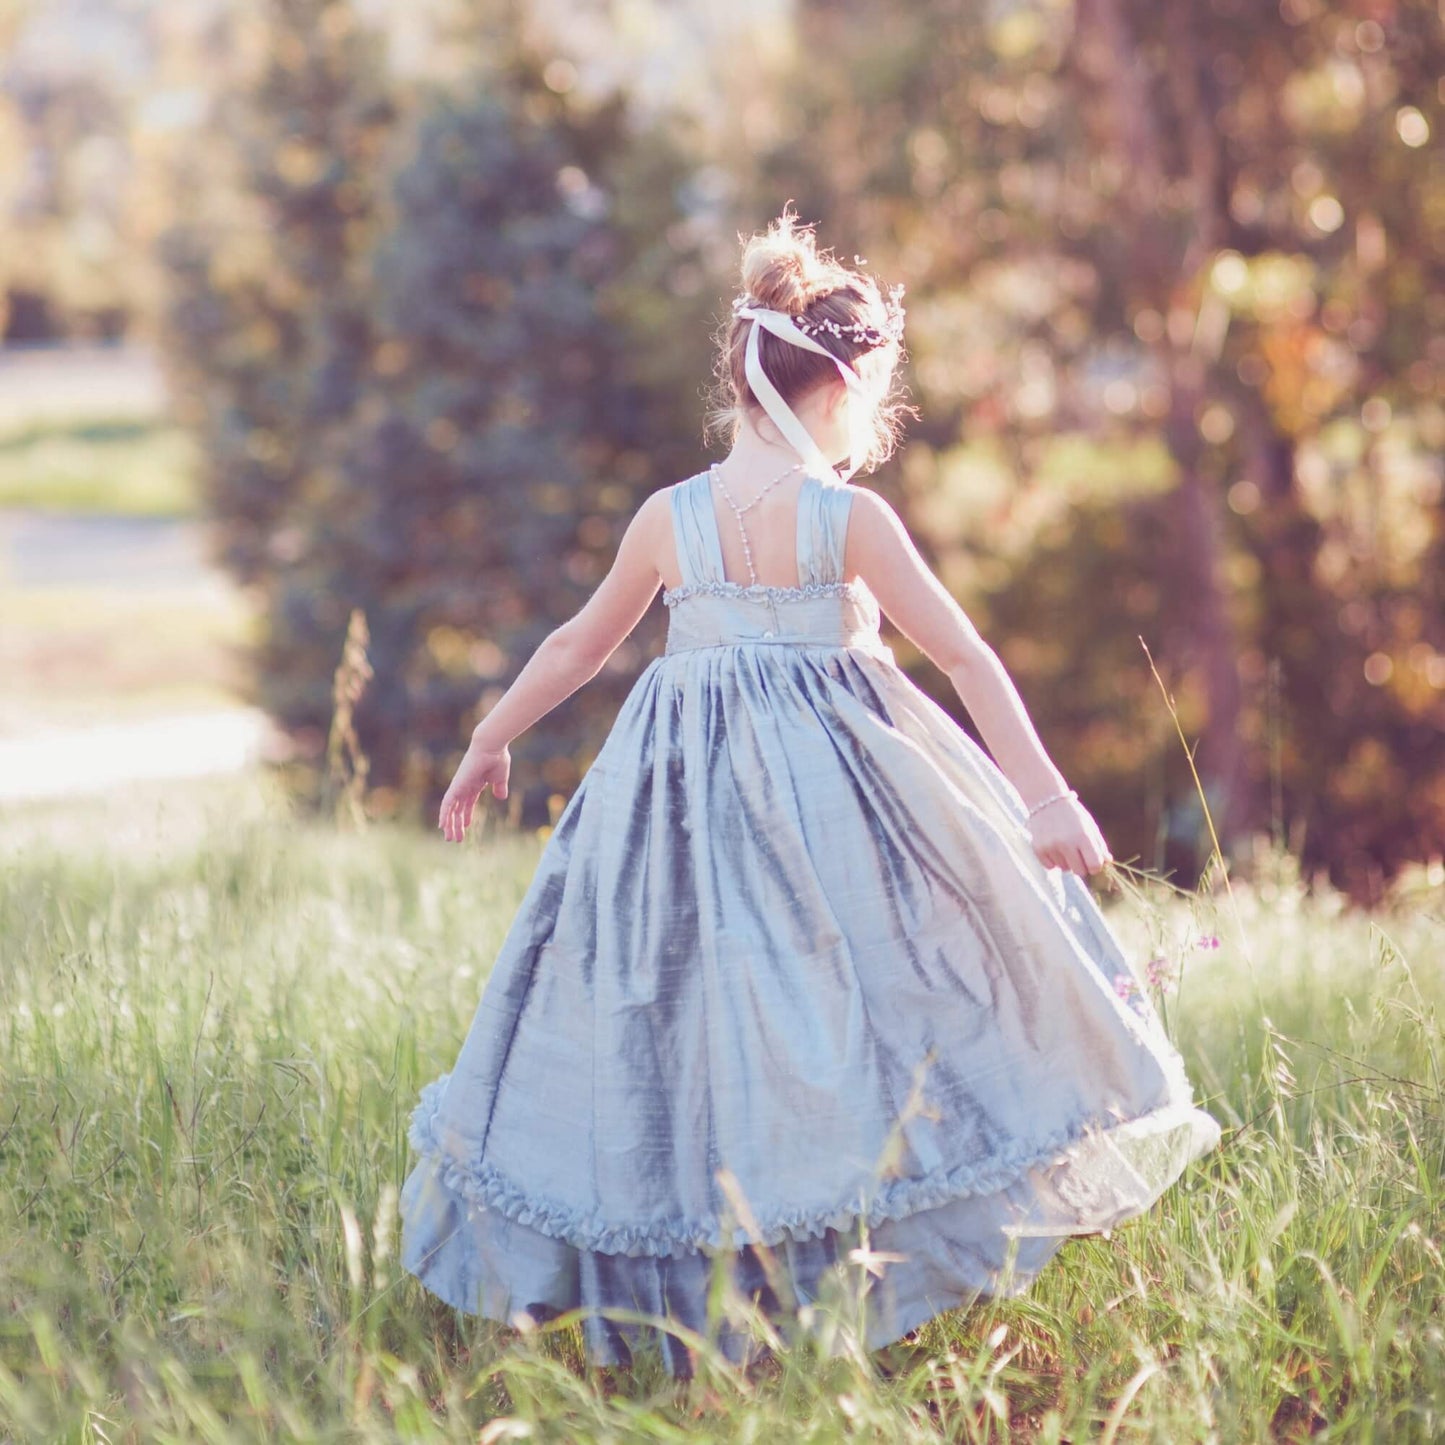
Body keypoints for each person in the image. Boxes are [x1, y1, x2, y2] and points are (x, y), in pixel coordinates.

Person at [399, 210, 1222, 1378]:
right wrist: (1040, 797)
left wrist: (489, 736)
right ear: (835, 388)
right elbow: (966, 658)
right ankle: (843, 1262)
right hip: (846, 807)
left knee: (690, 1017)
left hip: (674, 812)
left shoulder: (667, 518)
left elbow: (575, 648)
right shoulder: (846, 519)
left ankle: (724, 1275)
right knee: (879, 1002)